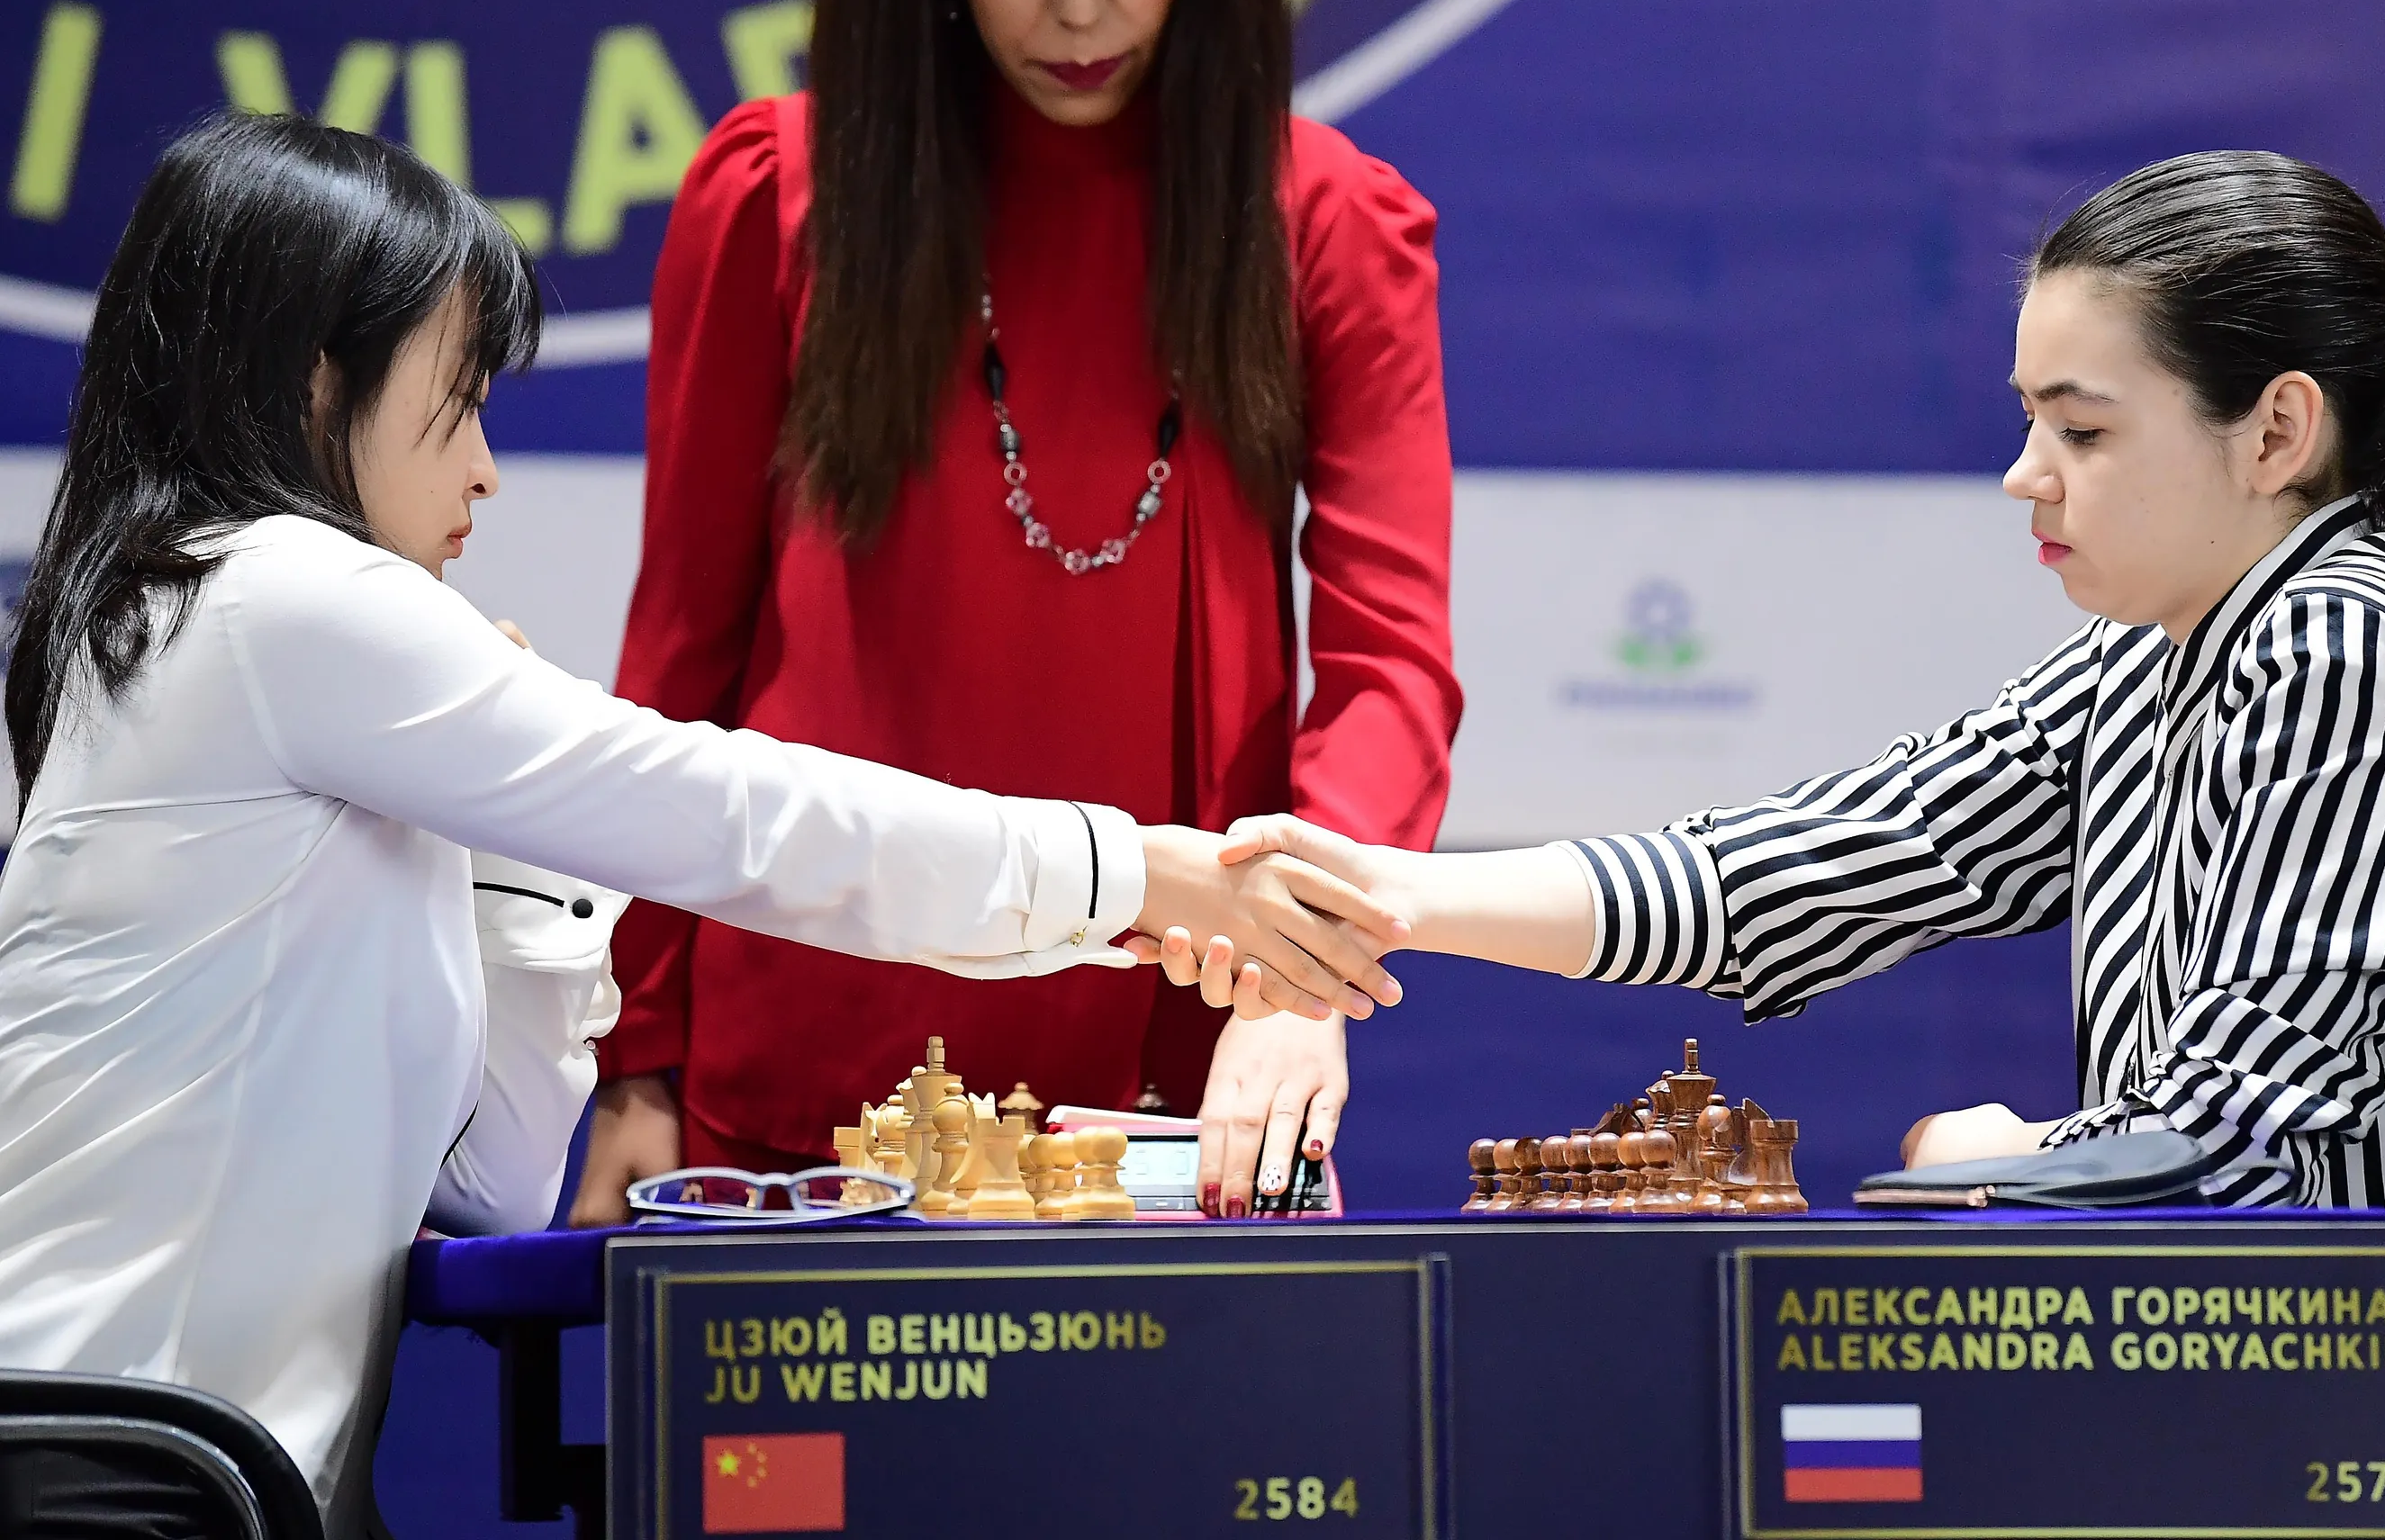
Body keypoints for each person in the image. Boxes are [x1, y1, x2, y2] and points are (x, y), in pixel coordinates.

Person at [1199, 152, 2385, 1536]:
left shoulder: (2346, 642)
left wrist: (2000, 1154)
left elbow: (2224, 1144)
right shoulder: (2151, 654)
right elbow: (1796, 872)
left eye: (2081, 429)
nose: (2023, 473)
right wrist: (1382, 892)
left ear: (2275, 432)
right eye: (2031, 419)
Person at [0, 113, 1405, 1537]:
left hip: (203, 1473)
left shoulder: (179, 623)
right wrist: (1133, 871)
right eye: (458, 398)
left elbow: (489, 1188)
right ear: (318, 382)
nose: (484, 469)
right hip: (113, 1469)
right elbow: (740, 818)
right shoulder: (276, 598)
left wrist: (514, 837)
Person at [576, 0, 1459, 1227]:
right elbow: (680, 665)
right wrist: (639, 1052)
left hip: (1181, 1068)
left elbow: (1390, 664)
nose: (1080, 4)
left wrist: (1301, 975)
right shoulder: (779, 197)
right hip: (801, 1063)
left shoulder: (1325, 220)